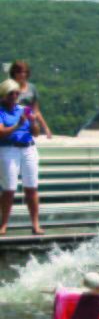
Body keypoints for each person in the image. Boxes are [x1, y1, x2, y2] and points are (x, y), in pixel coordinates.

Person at [0, 79, 42, 235]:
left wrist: (33, 123)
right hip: (9, 149)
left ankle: (35, 224)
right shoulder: (1, 112)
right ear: (4, 95)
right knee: (9, 189)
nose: (14, 96)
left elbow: (36, 133)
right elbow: (1, 132)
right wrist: (18, 125)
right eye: (11, 93)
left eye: (17, 93)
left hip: (28, 149)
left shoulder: (25, 109)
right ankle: (3, 224)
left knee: (31, 188)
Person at [7, 60, 52, 138]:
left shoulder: (32, 88)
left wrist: (45, 128)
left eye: (24, 72)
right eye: (19, 72)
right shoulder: (8, 87)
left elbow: (36, 110)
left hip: (27, 123)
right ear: (14, 73)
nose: (22, 75)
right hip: (12, 122)